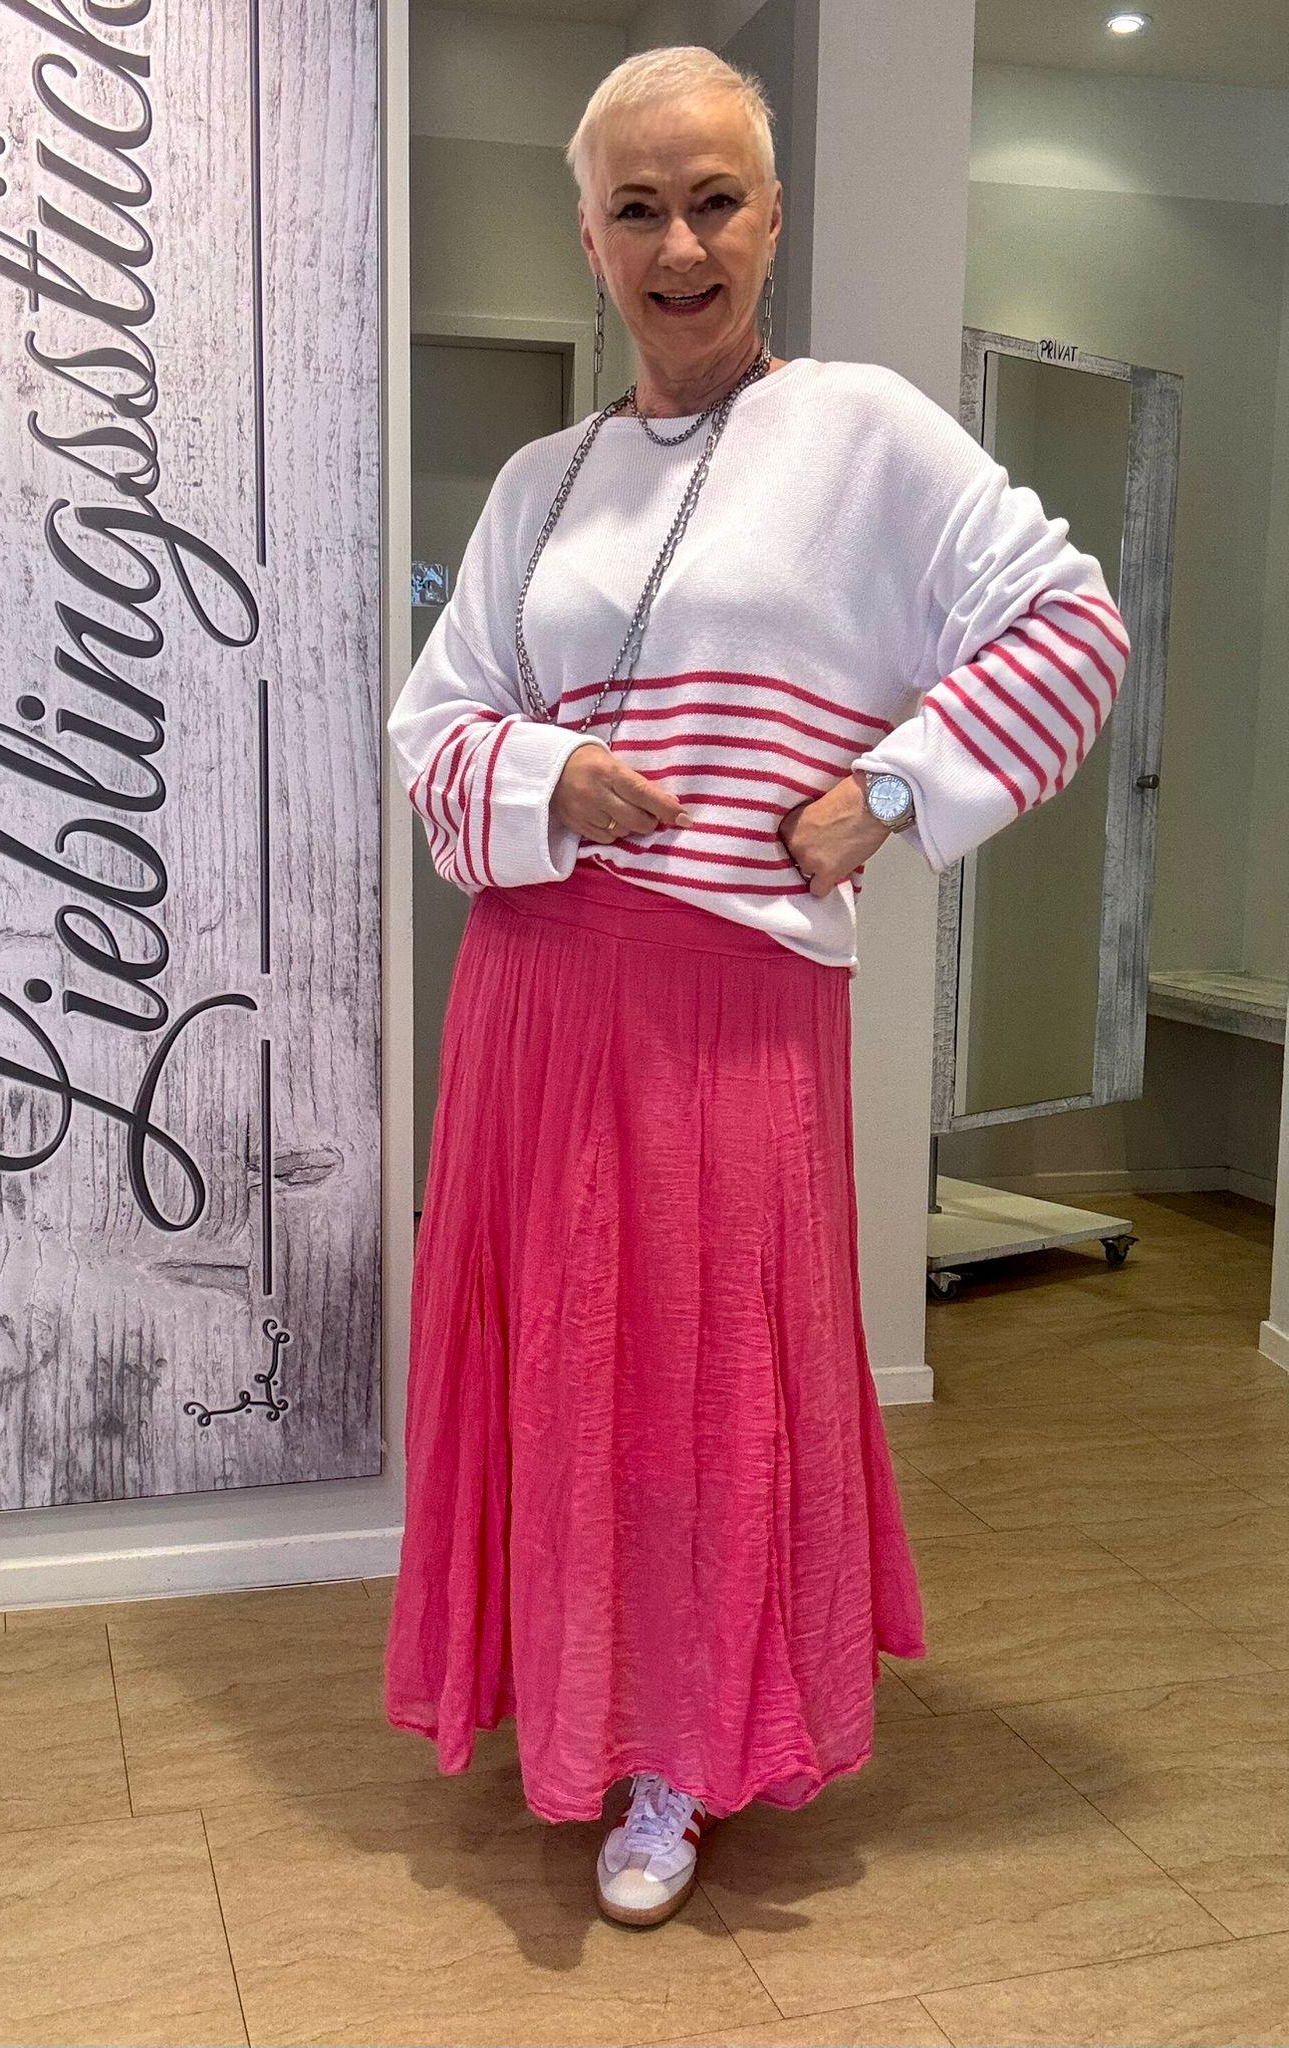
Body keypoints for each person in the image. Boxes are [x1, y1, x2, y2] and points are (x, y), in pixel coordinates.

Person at [383, 45, 1130, 1929]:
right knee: (560, 1374)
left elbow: (1072, 622)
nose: (680, 245)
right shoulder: (542, 481)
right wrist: (549, 774)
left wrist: (889, 792)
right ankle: (571, 1694)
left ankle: (680, 1750)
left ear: (773, 218)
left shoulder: (862, 433)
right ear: (588, 238)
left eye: (714, 200)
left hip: (727, 1003)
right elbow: (432, 724)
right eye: (637, 208)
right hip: (533, 995)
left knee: (696, 1383)